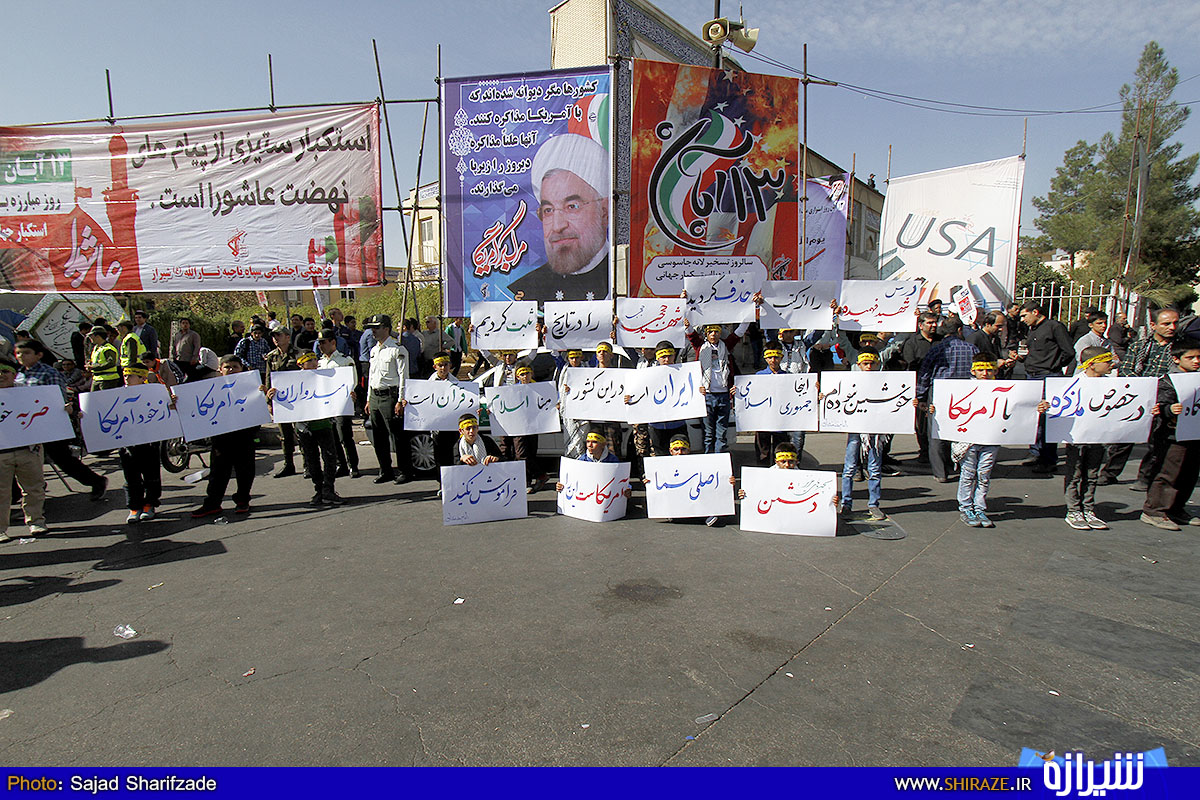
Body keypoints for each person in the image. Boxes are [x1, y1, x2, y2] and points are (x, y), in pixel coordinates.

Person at [507, 133, 610, 302]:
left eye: (572, 207)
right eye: (548, 210)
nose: (557, 226)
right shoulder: (523, 292)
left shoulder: (627, 281)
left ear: (604, 212)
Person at [1036, 347, 1125, 530]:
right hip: (1077, 438)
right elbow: (1056, 404)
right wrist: (1046, 406)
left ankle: (1088, 508)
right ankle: (1074, 509)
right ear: (1092, 365)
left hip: (1099, 437)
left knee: (1092, 473)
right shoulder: (1071, 385)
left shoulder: (1111, 385)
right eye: (1106, 361)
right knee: (1075, 473)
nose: (1111, 364)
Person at [13, 338, 108, 501]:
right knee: (16, 459)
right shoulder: (18, 375)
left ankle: (96, 481)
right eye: (18, 353)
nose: (22, 356)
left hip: (49, 424)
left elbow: (59, 397)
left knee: (62, 459)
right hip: (25, 426)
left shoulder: (49, 373)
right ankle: (20, 493)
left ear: (39, 355)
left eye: (27, 353)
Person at [1103, 307, 1180, 489]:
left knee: (1157, 442)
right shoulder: (1140, 345)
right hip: (1137, 396)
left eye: (1175, 323)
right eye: (1166, 323)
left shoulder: (1179, 348)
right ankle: (1110, 472)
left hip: (1164, 399)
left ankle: (1145, 477)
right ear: (1153, 325)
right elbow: (1126, 369)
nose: (1172, 327)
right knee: (1124, 438)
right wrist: (1143, 386)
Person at [1140, 338, 1200, 530]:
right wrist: (1169, 410)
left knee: (1189, 473)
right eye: (1190, 357)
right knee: (1168, 473)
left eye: (1198, 357)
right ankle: (1154, 510)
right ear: (1176, 359)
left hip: (1194, 433)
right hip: (1171, 436)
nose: (1196, 361)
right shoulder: (1168, 381)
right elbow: (1159, 406)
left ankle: (1176, 508)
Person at [191, 357, 259, 518]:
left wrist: (265, 393)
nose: (231, 370)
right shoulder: (210, 389)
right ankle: (213, 504)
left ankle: (243, 501)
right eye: (227, 367)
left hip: (245, 436)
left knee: (245, 471)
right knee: (218, 473)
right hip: (221, 438)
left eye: (235, 367)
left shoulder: (251, 387)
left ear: (241, 369)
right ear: (220, 370)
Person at [1011, 301, 1074, 473]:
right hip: (1032, 375)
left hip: (1049, 376)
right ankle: (1036, 452)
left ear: (1036, 312)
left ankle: (1048, 459)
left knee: (1047, 418)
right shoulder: (1032, 330)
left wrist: (1053, 366)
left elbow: (1068, 352)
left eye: (1024, 315)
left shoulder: (1055, 327)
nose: (1022, 319)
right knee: (1034, 416)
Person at [277, 351, 343, 507]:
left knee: (330, 458)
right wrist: (273, 396)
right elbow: (284, 400)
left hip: (324, 425)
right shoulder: (291, 381)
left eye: (315, 359)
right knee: (312, 459)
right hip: (305, 428)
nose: (314, 363)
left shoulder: (325, 378)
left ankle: (329, 489)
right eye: (309, 360)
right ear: (301, 364)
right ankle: (319, 490)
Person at [916, 316, 978, 482]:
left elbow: (925, 374)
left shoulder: (936, 349)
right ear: (959, 330)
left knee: (936, 433)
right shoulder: (971, 349)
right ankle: (963, 466)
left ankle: (940, 472)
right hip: (966, 394)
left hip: (940, 394)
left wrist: (920, 396)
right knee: (962, 431)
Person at [0, 357, 49, 541]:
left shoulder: (29, 394)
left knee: (34, 488)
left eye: (5, 371)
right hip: (1, 453)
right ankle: (0, 529)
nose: (1, 375)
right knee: (1, 492)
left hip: (28, 450)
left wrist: (64, 410)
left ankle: (36, 521)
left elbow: (47, 413)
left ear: (13, 374)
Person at [950, 356, 1002, 528]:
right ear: (973, 371)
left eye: (989, 370)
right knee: (968, 473)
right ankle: (966, 508)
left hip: (991, 439)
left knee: (984, 475)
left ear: (995, 371)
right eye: (981, 370)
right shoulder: (964, 389)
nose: (985, 374)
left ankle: (980, 508)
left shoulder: (1004, 389)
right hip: (969, 440)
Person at [364, 314, 413, 485]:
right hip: (375, 396)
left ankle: (405, 471)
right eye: (372, 328)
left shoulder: (397, 349)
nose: (373, 331)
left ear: (386, 328)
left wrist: (400, 399)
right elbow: (372, 375)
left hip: (390, 396)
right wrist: (369, 399)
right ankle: (385, 470)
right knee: (379, 437)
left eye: (376, 327)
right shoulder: (374, 350)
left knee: (398, 436)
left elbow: (403, 377)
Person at [839, 349, 887, 520]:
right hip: (855, 429)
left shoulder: (886, 382)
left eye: (872, 363)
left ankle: (874, 504)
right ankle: (846, 503)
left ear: (878, 364)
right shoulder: (849, 381)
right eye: (865, 364)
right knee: (849, 468)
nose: (868, 367)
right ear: (858, 365)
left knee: (874, 469)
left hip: (875, 431)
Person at [115, 365, 164, 527]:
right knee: (131, 476)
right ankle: (134, 507)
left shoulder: (152, 393)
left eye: (131, 376)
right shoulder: (116, 395)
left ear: (142, 378)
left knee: (151, 475)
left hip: (149, 442)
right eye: (125, 376)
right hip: (127, 444)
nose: (127, 379)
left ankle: (149, 504)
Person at [496, 363, 549, 493]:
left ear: (531, 373)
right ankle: (540, 475)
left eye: (527, 373)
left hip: (534, 427)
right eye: (522, 374)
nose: (525, 376)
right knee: (521, 454)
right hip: (518, 427)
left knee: (531, 453)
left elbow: (549, 402)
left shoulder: (539, 388)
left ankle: (528, 481)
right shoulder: (513, 389)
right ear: (517, 376)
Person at [317, 329, 361, 479]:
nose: (321, 346)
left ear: (333, 342)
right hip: (326, 404)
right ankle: (340, 464)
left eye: (323, 342)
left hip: (342, 403)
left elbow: (352, 381)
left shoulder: (344, 360)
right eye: (319, 343)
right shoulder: (320, 363)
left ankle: (352, 465)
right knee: (333, 437)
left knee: (344, 435)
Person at [901, 312, 942, 463]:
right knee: (921, 422)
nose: (933, 325)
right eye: (930, 323)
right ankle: (925, 451)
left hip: (938, 386)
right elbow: (910, 363)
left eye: (935, 322)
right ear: (921, 325)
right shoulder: (912, 342)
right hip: (919, 387)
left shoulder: (941, 341)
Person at [263, 327, 302, 478]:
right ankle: (288, 464)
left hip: (298, 400)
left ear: (287, 337)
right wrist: (269, 401)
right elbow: (268, 378)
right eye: (273, 336)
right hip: (281, 401)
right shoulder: (272, 357)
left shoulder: (298, 353)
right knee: (284, 435)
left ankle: (307, 464)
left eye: (278, 335)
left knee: (301, 431)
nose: (276, 338)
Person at [749, 341, 792, 466]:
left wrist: (812, 388)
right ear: (765, 357)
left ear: (782, 357)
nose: (773, 360)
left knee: (781, 454)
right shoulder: (758, 376)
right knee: (763, 454)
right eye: (770, 357)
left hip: (781, 423)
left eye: (776, 357)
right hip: (763, 423)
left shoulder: (788, 377)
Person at [87, 325, 122, 390]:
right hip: (97, 378)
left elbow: (111, 363)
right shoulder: (96, 348)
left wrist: (94, 367)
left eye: (91, 336)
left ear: (97, 336)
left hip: (108, 379)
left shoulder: (108, 348)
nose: (90, 338)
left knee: (105, 399)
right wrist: (90, 364)